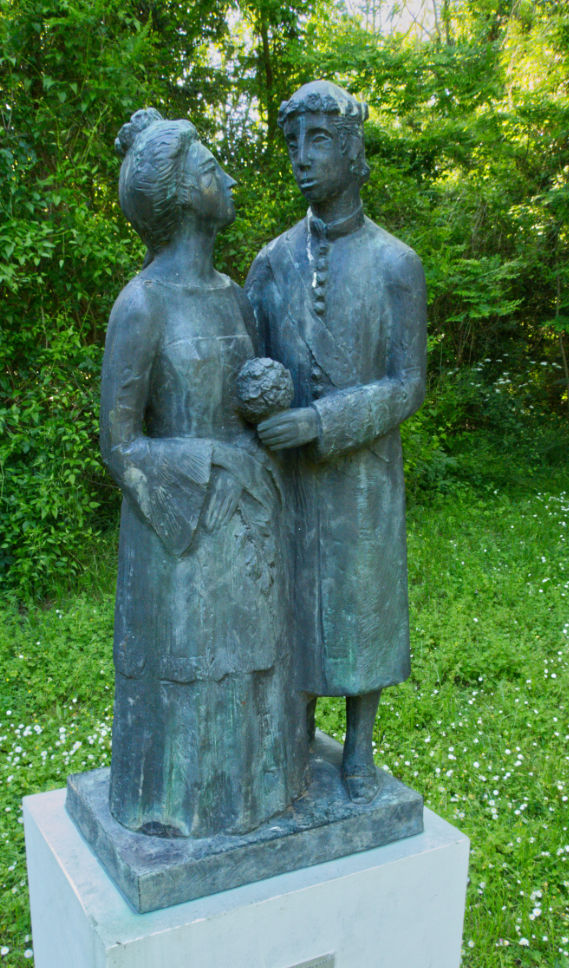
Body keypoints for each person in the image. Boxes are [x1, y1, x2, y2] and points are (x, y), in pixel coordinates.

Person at [102, 109, 306, 838]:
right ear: (184, 195)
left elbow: (241, 395)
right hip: (182, 538)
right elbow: (120, 444)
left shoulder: (232, 294)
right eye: (213, 167)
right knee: (192, 672)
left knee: (255, 665)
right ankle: (182, 809)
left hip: (249, 520)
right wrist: (206, 466)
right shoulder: (140, 306)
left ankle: (255, 799)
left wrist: (266, 397)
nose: (229, 178)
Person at [245, 81, 426, 803]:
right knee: (289, 597)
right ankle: (292, 731)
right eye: (293, 143)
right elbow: (250, 359)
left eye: (318, 141)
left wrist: (324, 422)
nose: (301, 159)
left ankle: (359, 746)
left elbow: (409, 384)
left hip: (363, 475)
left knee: (362, 601)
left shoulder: (395, 264)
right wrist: (259, 398)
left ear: (353, 150)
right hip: (286, 475)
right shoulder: (271, 261)